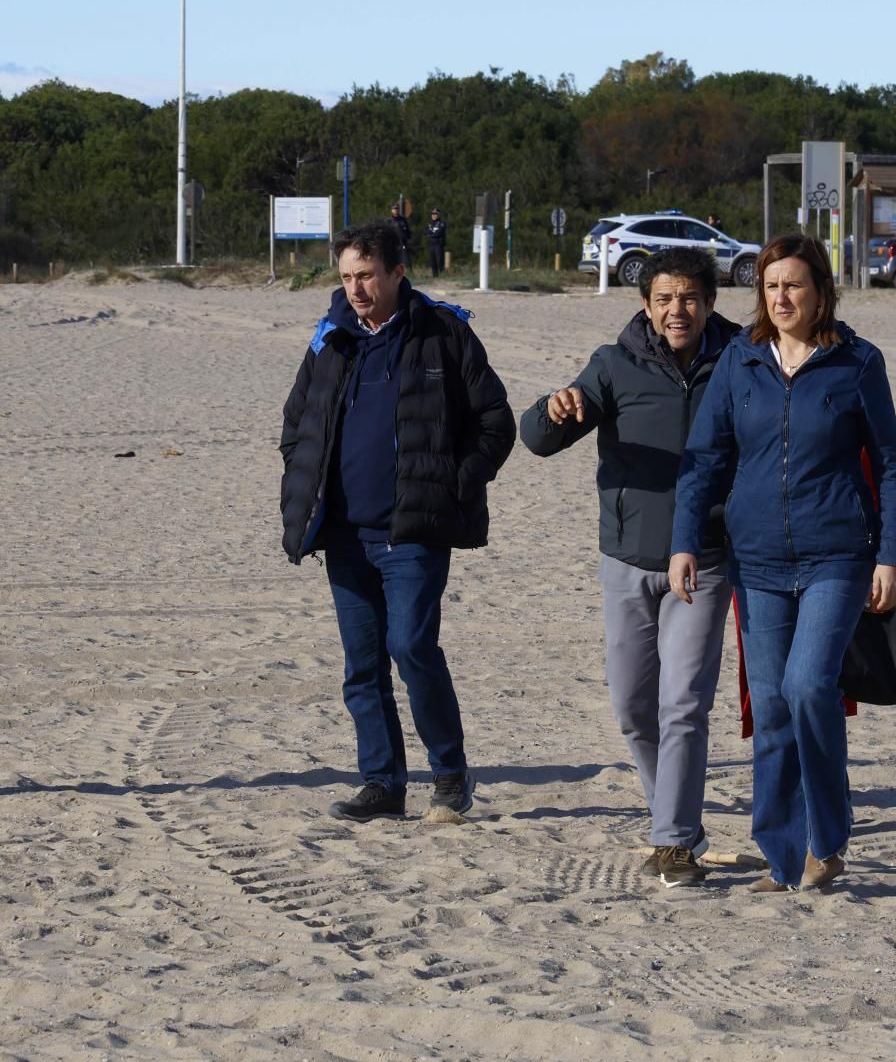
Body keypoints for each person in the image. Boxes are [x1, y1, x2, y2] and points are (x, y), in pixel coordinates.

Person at [669, 233, 896, 892]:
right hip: (758, 562)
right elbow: (704, 460)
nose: (781, 297)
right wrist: (685, 539)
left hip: (839, 555)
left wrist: (892, 556)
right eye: (771, 286)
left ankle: (828, 839)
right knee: (772, 704)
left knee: (810, 686)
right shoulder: (738, 362)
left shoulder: (858, 362)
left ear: (821, 291)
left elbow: (890, 466)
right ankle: (784, 856)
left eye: (794, 285)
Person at [520, 247, 742, 888]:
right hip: (625, 559)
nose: (679, 310)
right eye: (665, 298)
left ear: (709, 302)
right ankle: (676, 818)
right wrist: (553, 410)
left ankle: (672, 842)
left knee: (684, 705)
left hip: (706, 558)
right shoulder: (613, 364)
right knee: (633, 710)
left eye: (691, 298)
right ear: (646, 305)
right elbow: (537, 439)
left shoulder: (739, 360)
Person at [279, 221, 515, 822]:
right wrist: (305, 491)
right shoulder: (331, 337)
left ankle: (449, 776)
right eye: (348, 277)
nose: (356, 289)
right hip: (344, 535)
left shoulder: (443, 332)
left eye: (367, 276)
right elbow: (298, 423)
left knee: (411, 647)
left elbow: (495, 421)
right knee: (362, 667)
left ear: (397, 273)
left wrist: (454, 485)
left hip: (414, 533)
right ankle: (382, 784)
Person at [425, 208, 447, 277]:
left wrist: (431, 234)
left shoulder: (441, 223)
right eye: (432, 214)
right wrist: (432, 233)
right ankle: (435, 276)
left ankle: (442, 275)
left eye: (435, 214)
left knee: (439, 261)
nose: (433, 216)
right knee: (432, 261)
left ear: (438, 215)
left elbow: (438, 233)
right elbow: (425, 231)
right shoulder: (429, 223)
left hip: (438, 245)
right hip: (431, 245)